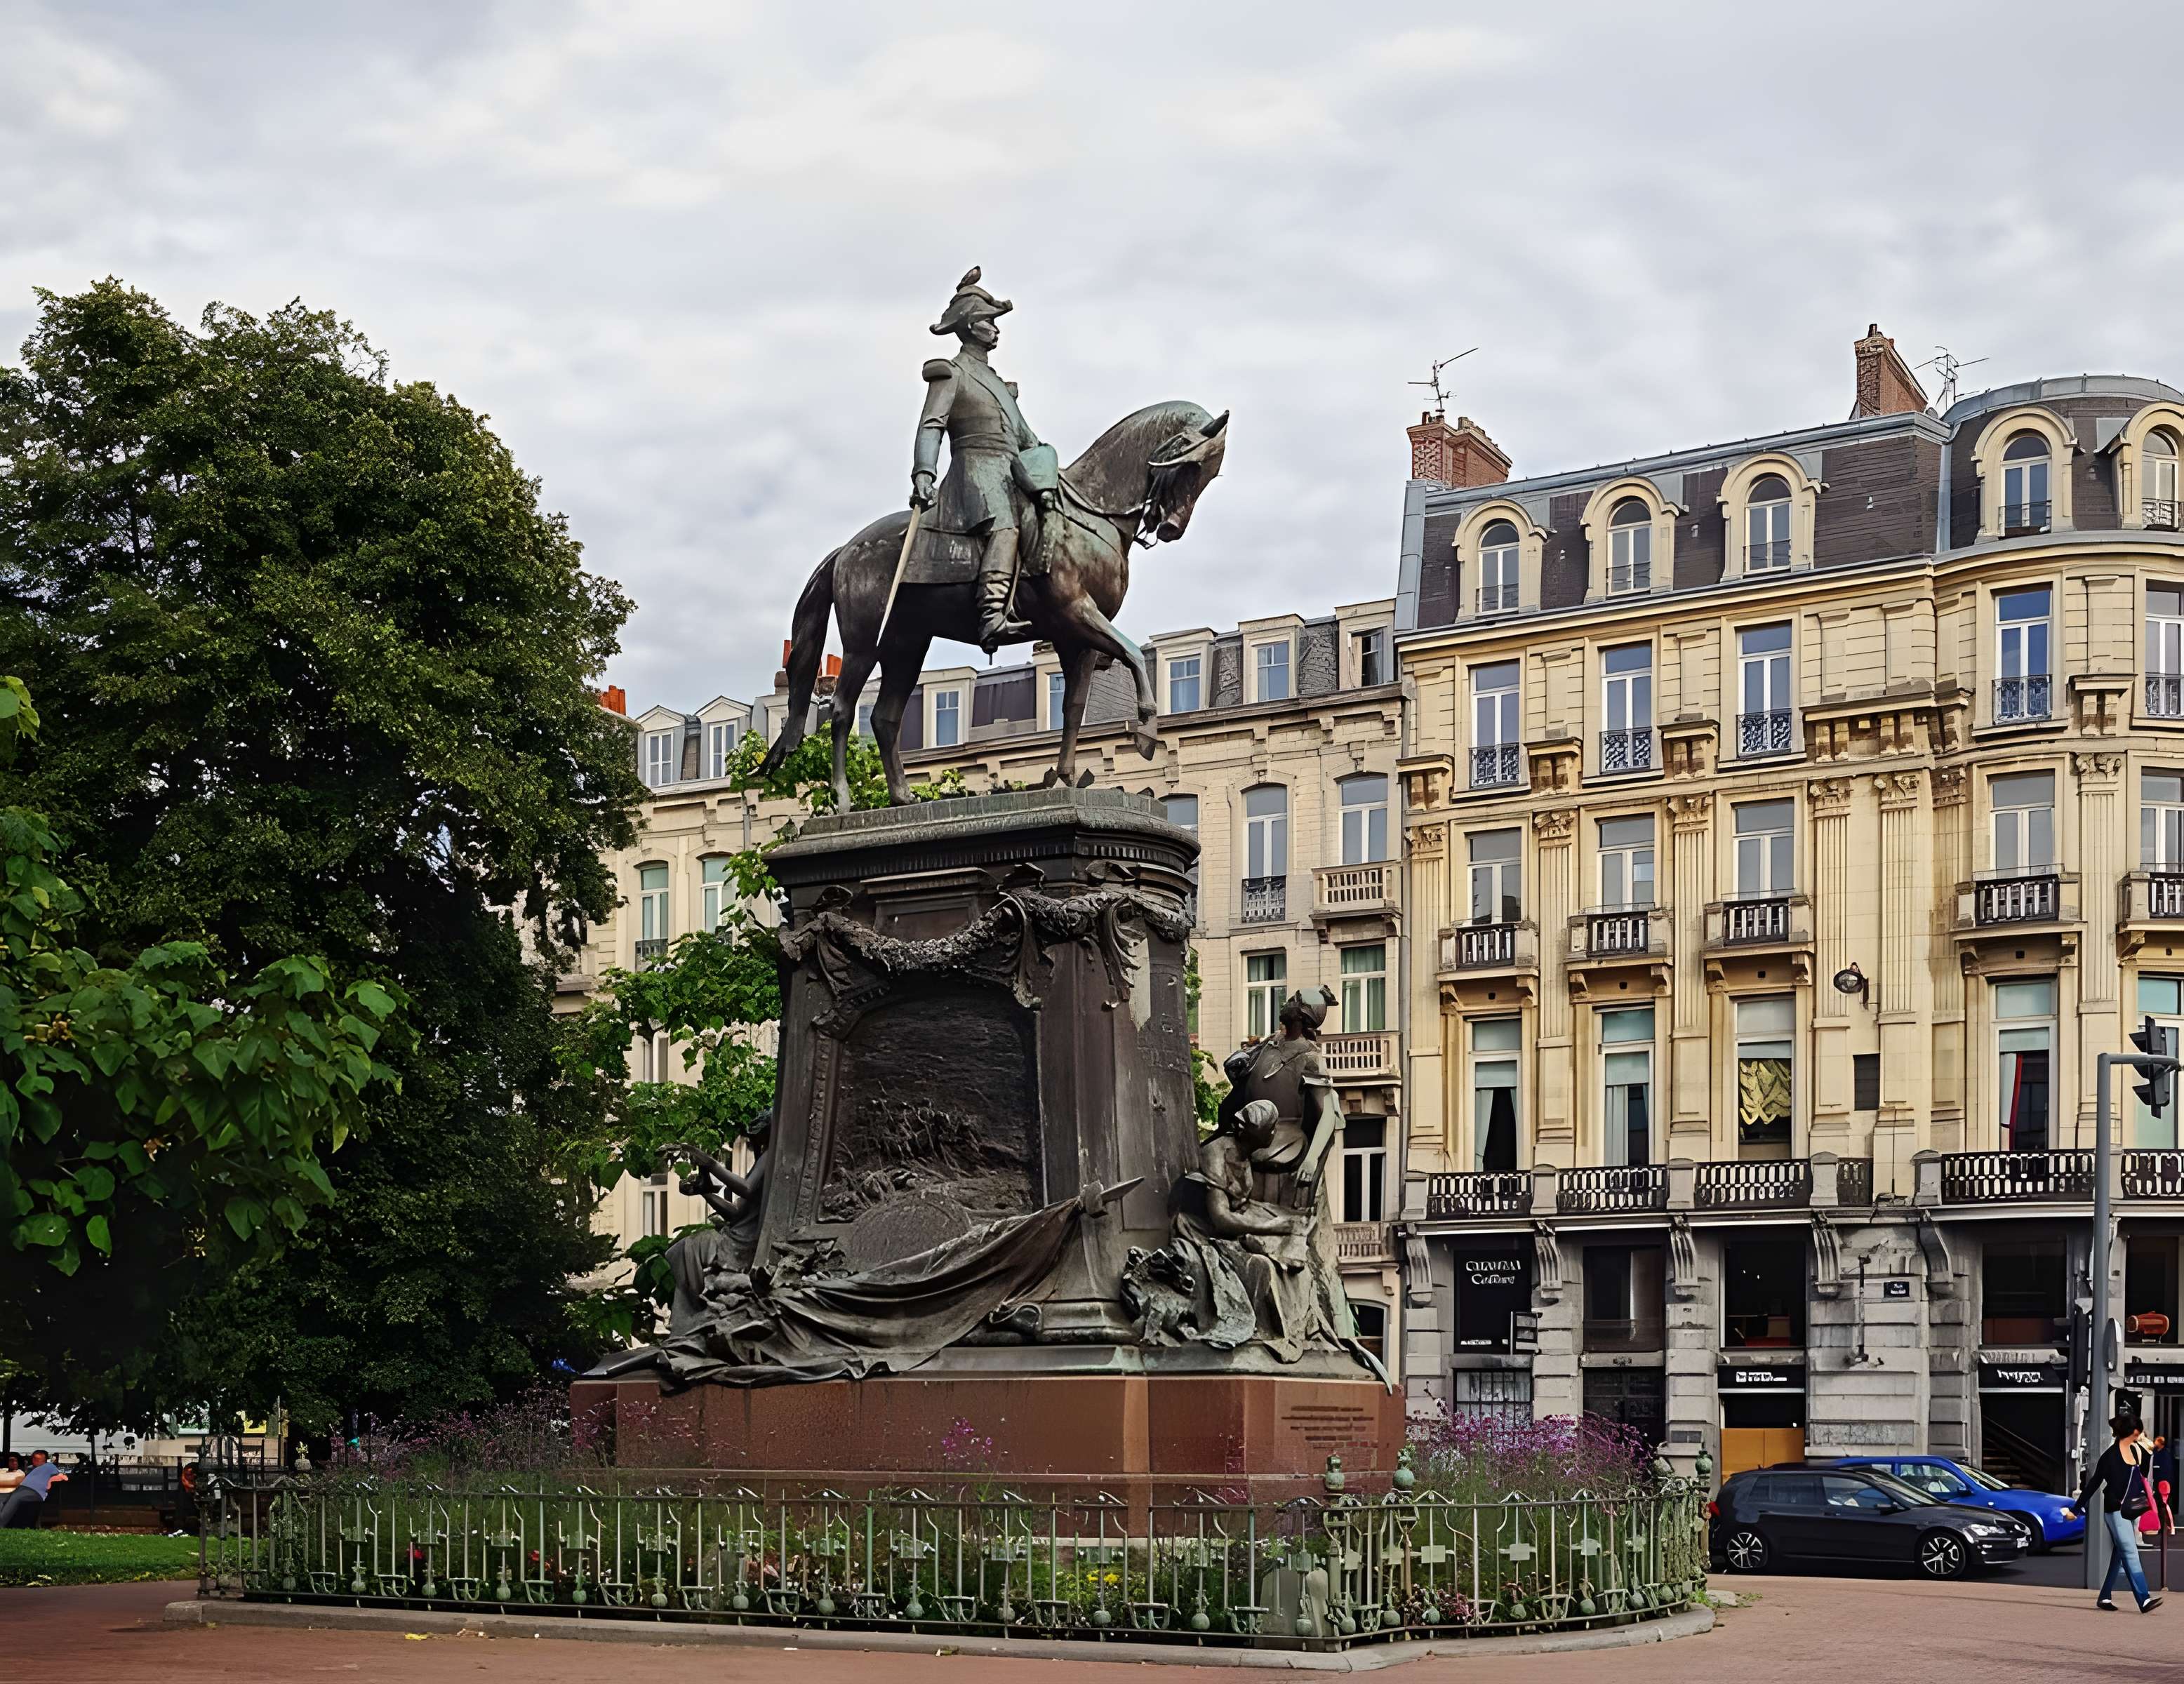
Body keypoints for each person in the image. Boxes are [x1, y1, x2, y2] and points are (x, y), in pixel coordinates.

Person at [2080, 1413, 2164, 1612]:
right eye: (2139, 1430)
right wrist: (2077, 1508)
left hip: (2131, 1508)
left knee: (2119, 1554)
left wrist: (2146, 1450)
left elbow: (2142, 1475)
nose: (2140, 1433)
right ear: (2132, 1432)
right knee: (2130, 1551)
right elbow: (2094, 1484)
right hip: (2114, 1509)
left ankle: (2105, 1597)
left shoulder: (2136, 1452)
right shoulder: (2109, 1457)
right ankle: (2144, 1599)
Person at [0, 1450, 68, 1529]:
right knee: (2, 1498)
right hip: (22, 1489)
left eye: (39, 1459)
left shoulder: (49, 1467)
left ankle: (1, 1525)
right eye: (34, 1459)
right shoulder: (29, 1469)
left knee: (15, 1498)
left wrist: (52, 1480)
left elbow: (60, 1476)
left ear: (45, 1460)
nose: (36, 1461)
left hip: (34, 1491)